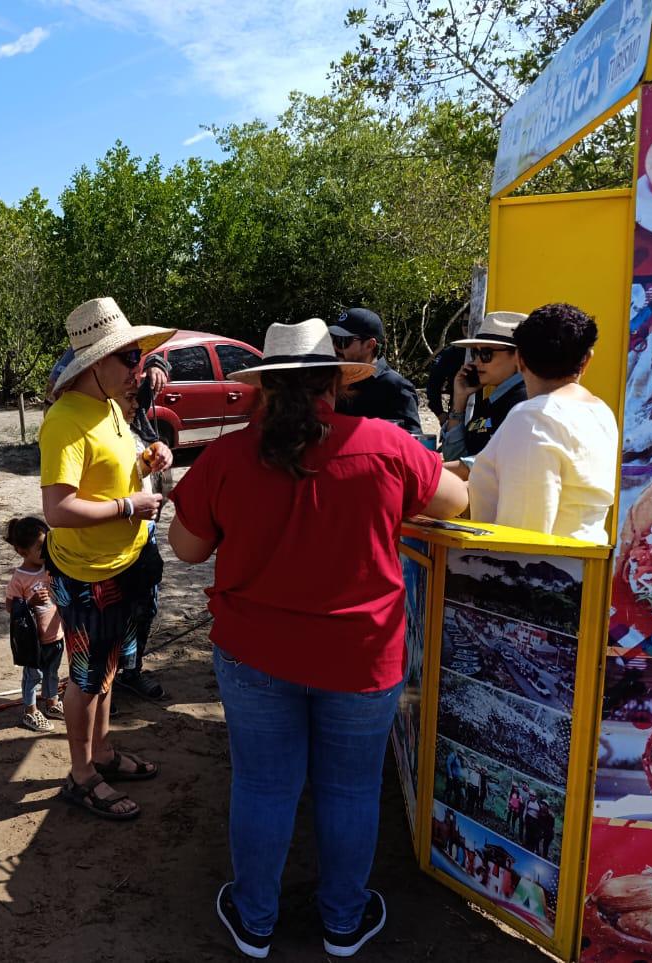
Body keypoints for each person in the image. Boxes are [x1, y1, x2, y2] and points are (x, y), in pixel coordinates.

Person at [166, 317, 468, 958]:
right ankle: (342, 921)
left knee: (263, 785)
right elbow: (456, 502)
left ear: (264, 388)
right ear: (336, 381)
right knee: (351, 789)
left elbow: (188, 550)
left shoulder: (225, 455)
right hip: (362, 656)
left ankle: (254, 920)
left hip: (254, 653)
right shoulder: (386, 444)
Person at [40, 296, 174, 821]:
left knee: (110, 669)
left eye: (139, 357)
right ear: (97, 364)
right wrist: (129, 505)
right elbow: (57, 508)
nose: (140, 369)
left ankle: (103, 753)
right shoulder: (65, 421)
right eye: (131, 358)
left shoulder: (109, 410)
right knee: (85, 677)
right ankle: (81, 775)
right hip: (90, 576)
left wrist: (148, 462)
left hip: (125, 564)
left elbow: (112, 473)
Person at [468, 303, 618, 542]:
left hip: (537, 572)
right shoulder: (601, 413)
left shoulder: (531, 417)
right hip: (585, 568)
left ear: (520, 359)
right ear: (587, 360)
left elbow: (523, 532)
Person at [116, 385, 167, 700]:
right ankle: (103, 689)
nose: (137, 404)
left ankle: (131, 672)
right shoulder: (95, 436)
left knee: (144, 610)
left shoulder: (135, 430)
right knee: (112, 619)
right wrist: (130, 507)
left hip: (145, 540)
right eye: (130, 398)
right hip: (112, 547)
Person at [441, 312, 528, 470]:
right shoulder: (491, 401)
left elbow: (494, 465)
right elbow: (454, 456)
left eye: (486, 354)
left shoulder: (523, 403)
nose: (476, 362)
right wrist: (459, 401)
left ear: (518, 356)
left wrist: (432, 472)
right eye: (476, 353)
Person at [3, 516, 66, 732]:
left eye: (48, 543)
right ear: (22, 552)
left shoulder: (50, 567)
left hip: (55, 635)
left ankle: (51, 702)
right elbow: (11, 608)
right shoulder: (19, 578)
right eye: (41, 547)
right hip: (34, 641)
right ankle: (30, 711)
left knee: (52, 672)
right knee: (33, 676)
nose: (46, 550)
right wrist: (30, 602)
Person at [329, 308, 422, 433]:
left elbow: (412, 442)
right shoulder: (333, 380)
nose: (335, 347)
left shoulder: (395, 386)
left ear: (370, 345)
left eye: (343, 341)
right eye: (334, 339)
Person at [426, 344, 466, 423]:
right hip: (458, 413)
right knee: (453, 434)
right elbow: (433, 382)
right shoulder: (452, 352)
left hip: (487, 411)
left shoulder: (489, 351)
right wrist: (439, 412)